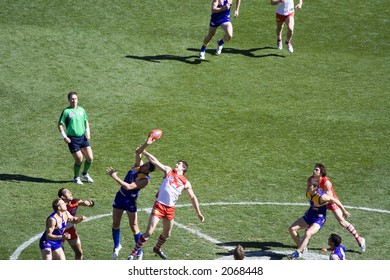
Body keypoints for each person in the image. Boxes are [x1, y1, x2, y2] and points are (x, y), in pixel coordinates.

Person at [127, 149, 205, 260]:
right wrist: (144, 151)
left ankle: (157, 248)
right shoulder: (168, 171)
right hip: (159, 205)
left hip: (170, 209)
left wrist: (198, 213)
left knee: (167, 234)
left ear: (183, 168)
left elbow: (192, 197)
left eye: (178, 164)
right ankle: (133, 253)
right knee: (149, 232)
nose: (176, 165)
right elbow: (155, 161)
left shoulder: (185, 182)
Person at [106, 135, 156, 260]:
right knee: (115, 223)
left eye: (146, 166)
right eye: (145, 164)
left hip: (129, 201)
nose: (143, 166)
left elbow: (129, 187)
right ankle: (117, 246)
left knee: (133, 226)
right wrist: (147, 143)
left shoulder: (145, 180)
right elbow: (138, 152)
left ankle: (139, 251)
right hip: (120, 197)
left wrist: (115, 177)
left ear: (149, 171)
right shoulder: (137, 167)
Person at [287, 177, 351, 260]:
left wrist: (344, 211)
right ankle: (303, 247)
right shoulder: (308, 192)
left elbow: (335, 200)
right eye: (308, 185)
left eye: (310, 186)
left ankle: (298, 252)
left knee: (308, 233)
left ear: (315, 188)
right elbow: (313, 203)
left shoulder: (322, 197)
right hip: (310, 215)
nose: (307, 187)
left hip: (319, 219)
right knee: (291, 229)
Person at [309, 163, 366, 253]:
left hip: (330, 202)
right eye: (314, 169)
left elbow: (330, 198)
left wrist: (343, 210)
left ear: (321, 172)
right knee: (312, 216)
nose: (314, 171)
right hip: (321, 201)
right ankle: (305, 238)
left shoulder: (326, 182)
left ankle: (359, 239)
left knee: (342, 221)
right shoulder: (312, 179)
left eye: (317, 170)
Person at [58, 91, 94, 185]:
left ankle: (85, 174)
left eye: (75, 99)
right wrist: (64, 137)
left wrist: (88, 132)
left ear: (78, 100)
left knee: (90, 158)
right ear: (69, 100)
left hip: (83, 137)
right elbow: (60, 125)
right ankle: (76, 177)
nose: (74, 100)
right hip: (73, 139)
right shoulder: (66, 112)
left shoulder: (82, 110)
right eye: (72, 99)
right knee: (79, 159)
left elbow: (86, 121)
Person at [58, 188, 94, 260]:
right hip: (59, 232)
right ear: (63, 197)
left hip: (71, 229)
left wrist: (89, 202)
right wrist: (80, 218)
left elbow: (90, 204)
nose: (71, 193)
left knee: (79, 253)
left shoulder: (74, 201)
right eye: (68, 192)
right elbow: (73, 220)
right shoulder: (60, 206)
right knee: (60, 258)